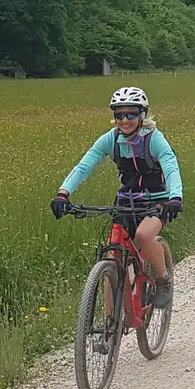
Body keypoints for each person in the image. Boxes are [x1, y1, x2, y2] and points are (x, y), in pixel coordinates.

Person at [51, 87, 180, 309]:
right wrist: (63, 193)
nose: (125, 120)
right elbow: (84, 166)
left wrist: (175, 197)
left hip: (157, 200)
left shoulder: (154, 139)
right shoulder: (110, 140)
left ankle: (163, 279)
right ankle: (108, 328)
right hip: (125, 201)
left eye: (131, 114)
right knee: (112, 258)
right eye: (119, 115)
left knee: (143, 235)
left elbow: (171, 167)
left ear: (142, 115)